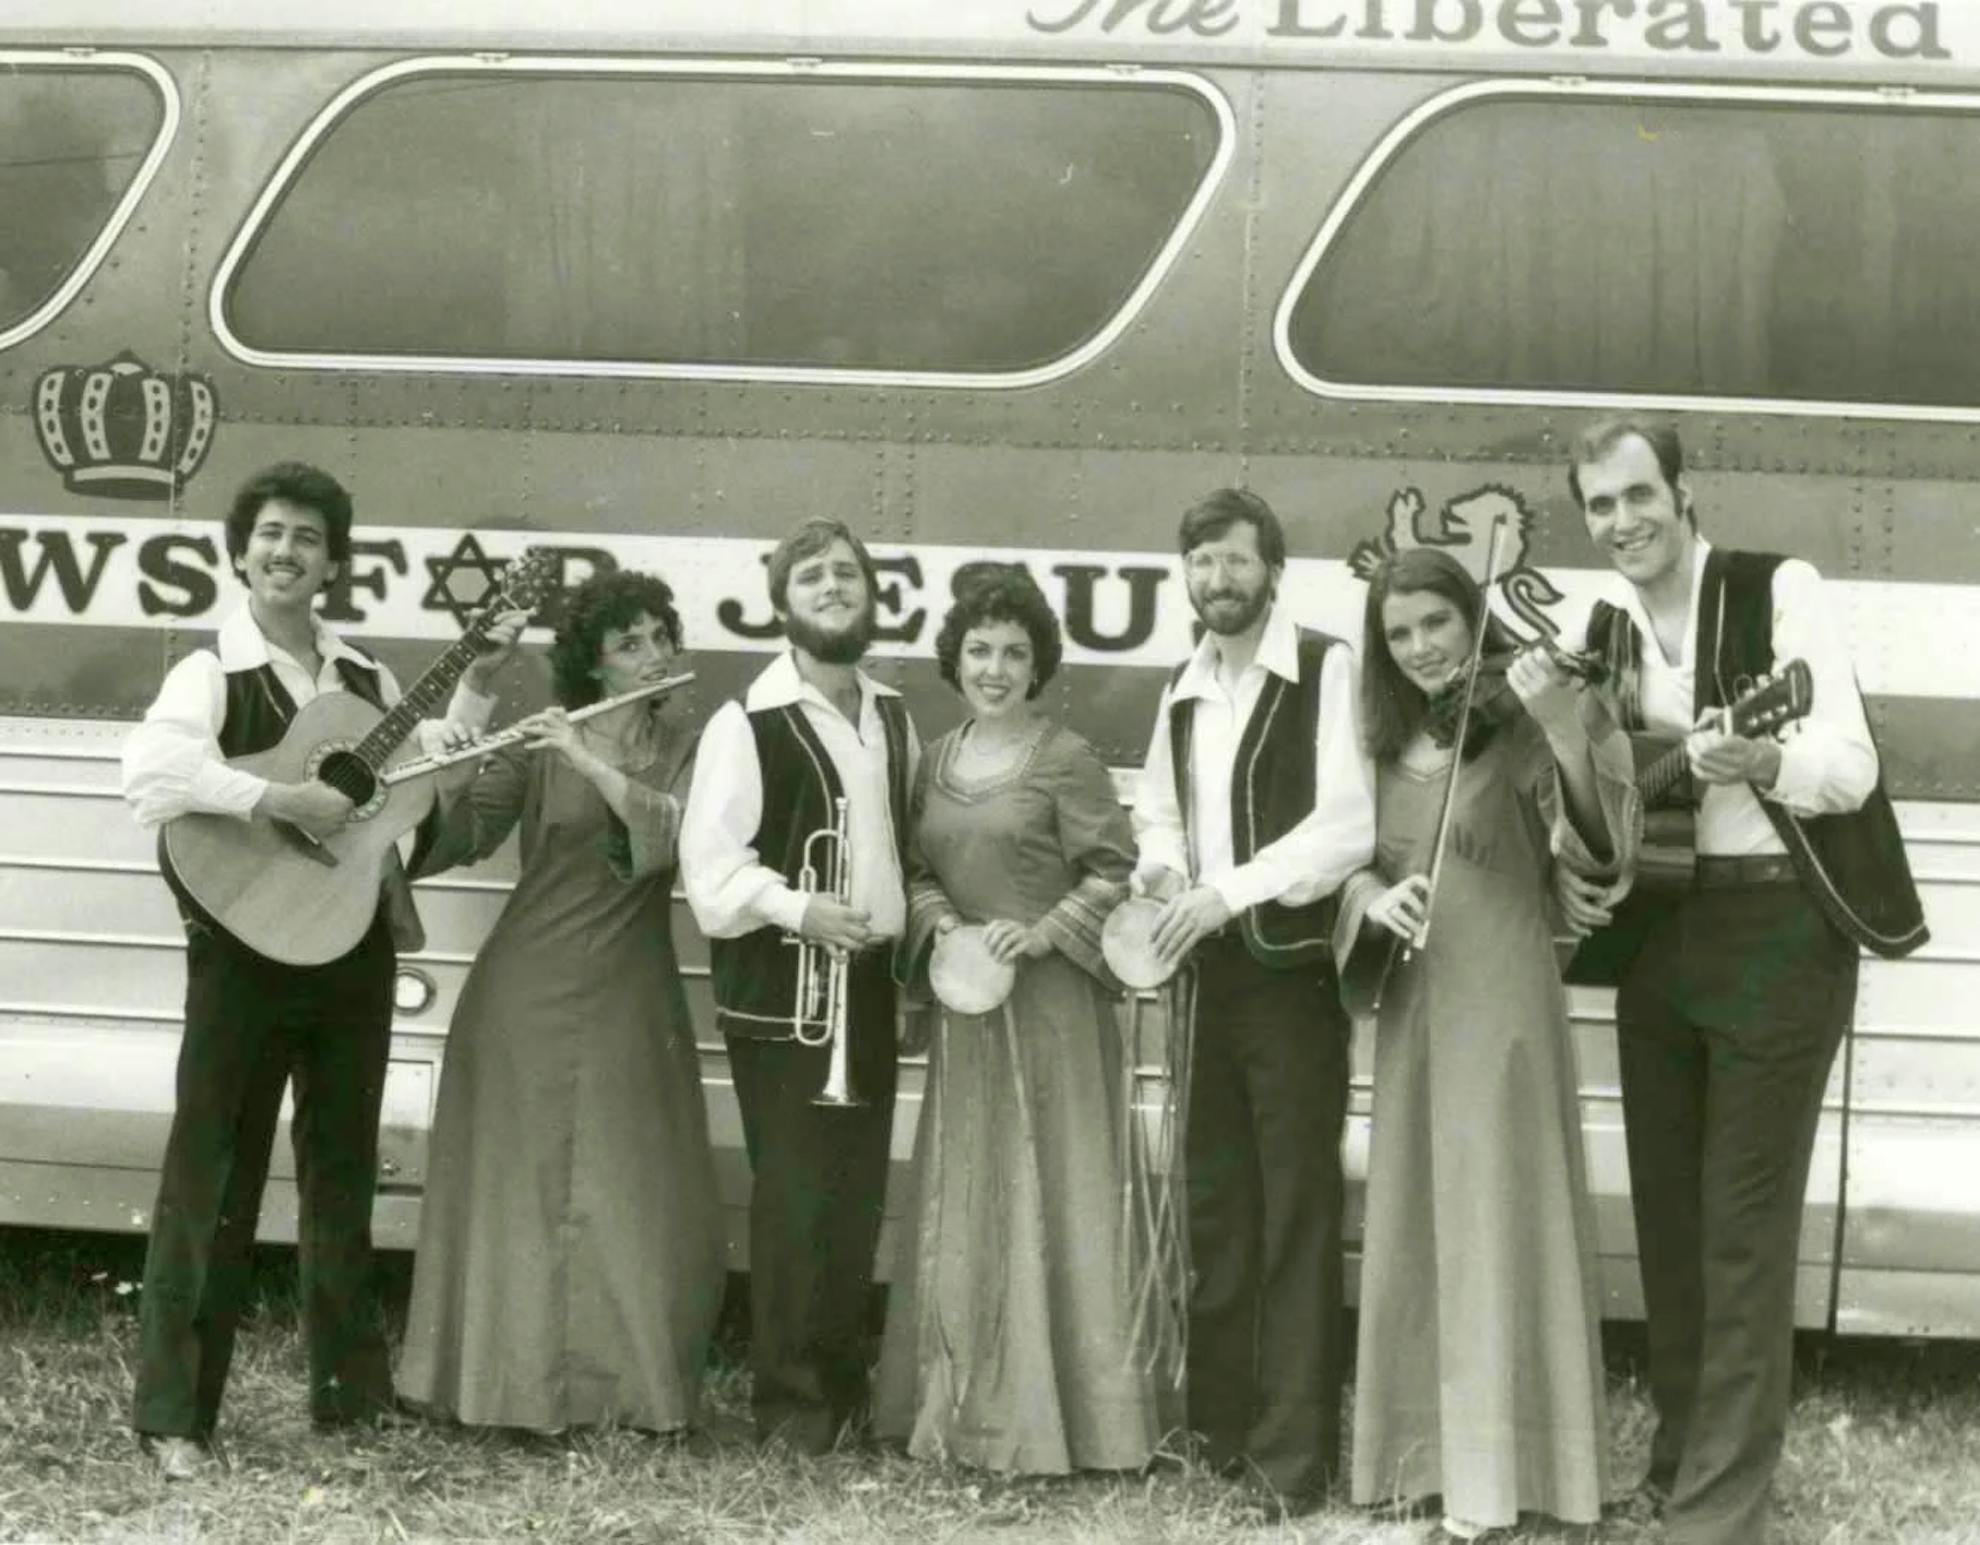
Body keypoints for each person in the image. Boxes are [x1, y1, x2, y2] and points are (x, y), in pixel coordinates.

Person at [1556, 417, 1927, 1545]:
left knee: (1741, 1227)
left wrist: (1763, 756)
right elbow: (1596, 792)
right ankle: (1681, 1463)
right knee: (1668, 1225)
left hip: (1776, 931)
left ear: (1682, 492)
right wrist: (1582, 858)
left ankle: (1719, 1513)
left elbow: (1849, 767)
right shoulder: (1605, 630)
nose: (1623, 522)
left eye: (1638, 496)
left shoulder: (1779, 592)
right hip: (1660, 929)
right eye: (1600, 506)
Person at [119, 462, 515, 1478]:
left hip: (349, 948)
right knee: (213, 1173)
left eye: (306, 537)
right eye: (269, 534)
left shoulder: (372, 682)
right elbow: (151, 775)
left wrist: (476, 678)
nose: (285, 550)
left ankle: (350, 1397)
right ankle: (176, 1418)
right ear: (242, 550)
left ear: (333, 561)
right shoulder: (211, 669)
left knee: (341, 1172)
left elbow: (430, 784)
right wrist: (281, 803)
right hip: (243, 951)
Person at [1333, 548, 1636, 1543]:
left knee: (1499, 1219)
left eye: (1438, 624)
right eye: (1401, 632)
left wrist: (1559, 719)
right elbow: (1350, 867)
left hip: (1503, 1002)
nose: (1421, 647)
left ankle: (1507, 1475)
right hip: (1415, 1004)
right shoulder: (1376, 742)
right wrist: (1374, 899)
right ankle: (1422, 1466)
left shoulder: (1517, 730)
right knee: (1422, 1221)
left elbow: (1596, 845)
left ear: (1474, 622)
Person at [394, 569, 723, 1435]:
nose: (654, 654)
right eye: (629, 644)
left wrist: (587, 760)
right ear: (594, 664)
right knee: (522, 1183)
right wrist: (473, 715)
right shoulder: (544, 740)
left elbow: (676, 836)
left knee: (626, 1181)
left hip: (630, 987)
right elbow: (460, 834)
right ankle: (505, 1391)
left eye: (660, 636)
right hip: (525, 984)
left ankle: (626, 1396)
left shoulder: (690, 742)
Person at [873, 566, 1173, 1474]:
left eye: (1015, 652)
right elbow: (916, 871)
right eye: (980, 651)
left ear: (1038, 664)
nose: (996, 668)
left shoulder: (1065, 757)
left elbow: (1114, 869)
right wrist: (947, 929)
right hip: (971, 1010)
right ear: (954, 660)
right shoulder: (932, 757)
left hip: (1053, 1013)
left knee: (1062, 1194)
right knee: (969, 1193)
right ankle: (961, 1412)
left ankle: (1081, 1424)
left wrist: (1040, 934)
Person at [1130, 488, 1376, 1509]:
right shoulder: (1183, 686)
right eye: (1200, 562)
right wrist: (1163, 868)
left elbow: (1346, 826)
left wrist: (1222, 893)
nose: (1217, 580)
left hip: (1286, 980)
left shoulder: (1326, 667)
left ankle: (1294, 1456)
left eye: (1235, 561)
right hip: (1207, 982)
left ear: (1273, 569)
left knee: (1295, 1214)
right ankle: (1218, 1430)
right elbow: (1155, 807)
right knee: (1217, 1204)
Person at [679, 517, 919, 1454]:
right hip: (784, 989)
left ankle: (841, 1399)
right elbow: (710, 875)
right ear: (782, 604)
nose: (832, 585)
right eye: (812, 575)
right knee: (795, 1200)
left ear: (870, 594)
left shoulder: (893, 713)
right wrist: (800, 908)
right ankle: (788, 1411)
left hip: (866, 983)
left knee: (855, 1199)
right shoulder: (746, 721)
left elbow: (901, 851)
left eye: (848, 573)